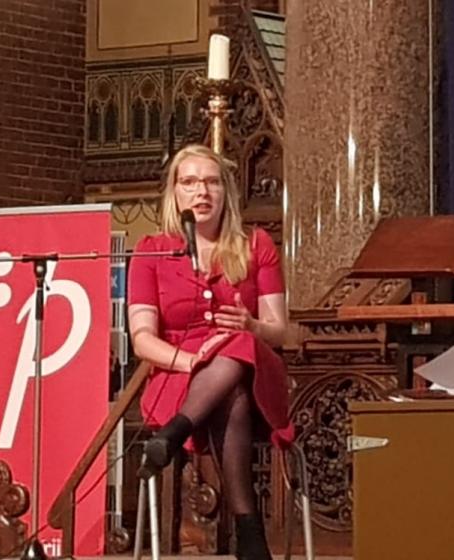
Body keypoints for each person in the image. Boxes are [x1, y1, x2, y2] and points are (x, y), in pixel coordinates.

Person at [127, 144, 291, 560]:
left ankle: (174, 434)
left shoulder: (256, 244)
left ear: (226, 193)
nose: (202, 191)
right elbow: (142, 339)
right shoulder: (151, 250)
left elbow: (279, 332)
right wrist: (190, 361)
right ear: (174, 194)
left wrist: (252, 325)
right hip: (177, 374)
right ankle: (249, 531)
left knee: (237, 342)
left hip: (255, 373)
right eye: (190, 182)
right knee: (229, 393)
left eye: (212, 182)